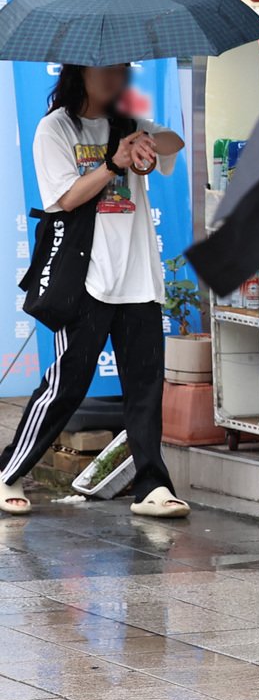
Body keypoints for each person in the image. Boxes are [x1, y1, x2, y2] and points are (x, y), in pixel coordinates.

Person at [0, 64, 190, 519]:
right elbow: (64, 198)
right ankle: (9, 470)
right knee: (67, 384)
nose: (114, 79)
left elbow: (174, 143)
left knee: (144, 386)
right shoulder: (55, 128)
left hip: (138, 277)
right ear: (80, 72)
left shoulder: (128, 122)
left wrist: (146, 143)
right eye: (105, 71)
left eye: (122, 71)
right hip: (85, 279)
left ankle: (152, 485)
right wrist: (113, 163)